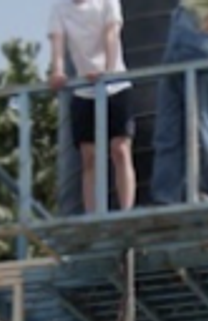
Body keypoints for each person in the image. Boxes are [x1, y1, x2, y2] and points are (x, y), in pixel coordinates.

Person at [48, 0, 138, 213]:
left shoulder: (107, 2)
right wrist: (58, 71)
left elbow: (112, 34)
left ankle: (126, 211)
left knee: (120, 149)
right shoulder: (60, 9)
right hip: (83, 90)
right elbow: (58, 43)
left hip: (115, 86)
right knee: (89, 157)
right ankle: (93, 216)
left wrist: (107, 71)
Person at [150, 0, 208, 205]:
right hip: (180, 31)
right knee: (168, 129)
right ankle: (166, 197)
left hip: (200, 34)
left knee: (207, 126)